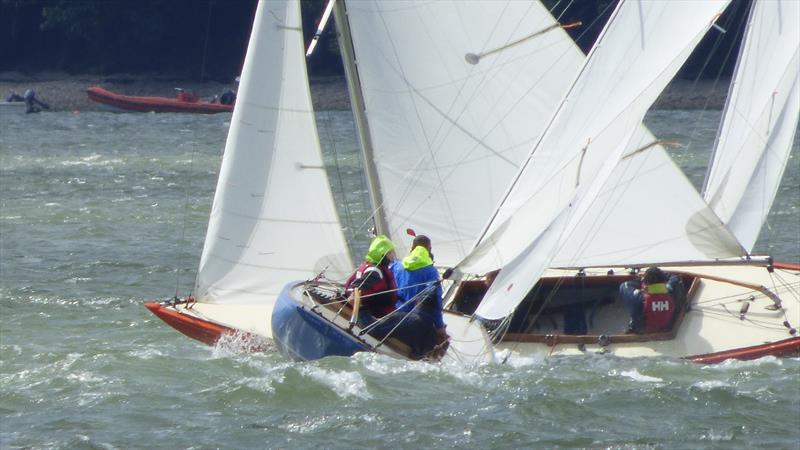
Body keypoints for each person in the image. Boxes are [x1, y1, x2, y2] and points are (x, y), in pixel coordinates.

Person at [391, 235, 449, 358]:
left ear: (411, 248)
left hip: (393, 315)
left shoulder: (396, 266)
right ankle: (419, 355)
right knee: (440, 341)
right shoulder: (430, 271)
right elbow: (435, 300)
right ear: (429, 249)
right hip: (416, 322)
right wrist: (439, 326)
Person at [344, 235, 398, 320]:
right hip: (379, 318)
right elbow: (354, 291)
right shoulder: (375, 272)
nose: (393, 256)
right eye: (390, 253)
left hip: (379, 314)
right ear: (382, 255)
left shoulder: (367, 266)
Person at [619, 266, 684, 333]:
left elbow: (624, 286)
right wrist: (661, 275)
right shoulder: (671, 294)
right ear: (664, 281)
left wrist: (640, 280)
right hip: (667, 331)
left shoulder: (638, 298)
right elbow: (675, 278)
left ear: (646, 283)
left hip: (642, 334)